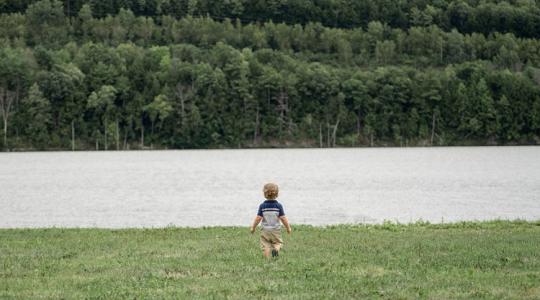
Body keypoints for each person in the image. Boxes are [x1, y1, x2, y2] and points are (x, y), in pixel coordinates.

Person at [250, 183, 292, 258]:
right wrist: (288, 228)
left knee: (265, 245)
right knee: (278, 243)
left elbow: (258, 218)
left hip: (265, 230)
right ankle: (276, 249)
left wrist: (253, 227)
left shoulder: (262, 206)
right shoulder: (278, 206)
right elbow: (283, 218)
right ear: (277, 194)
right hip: (275, 230)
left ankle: (267, 259)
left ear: (264, 194)